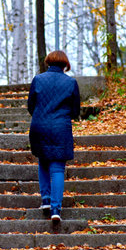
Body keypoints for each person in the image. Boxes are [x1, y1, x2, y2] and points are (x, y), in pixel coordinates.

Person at [27, 51, 80, 221]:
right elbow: (75, 111)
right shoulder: (71, 82)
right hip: (60, 128)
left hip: (39, 126)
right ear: (65, 64)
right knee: (57, 168)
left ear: (48, 62)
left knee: (43, 161)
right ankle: (56, 210)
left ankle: (46, 200)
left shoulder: (38, 79)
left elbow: (31, 105)